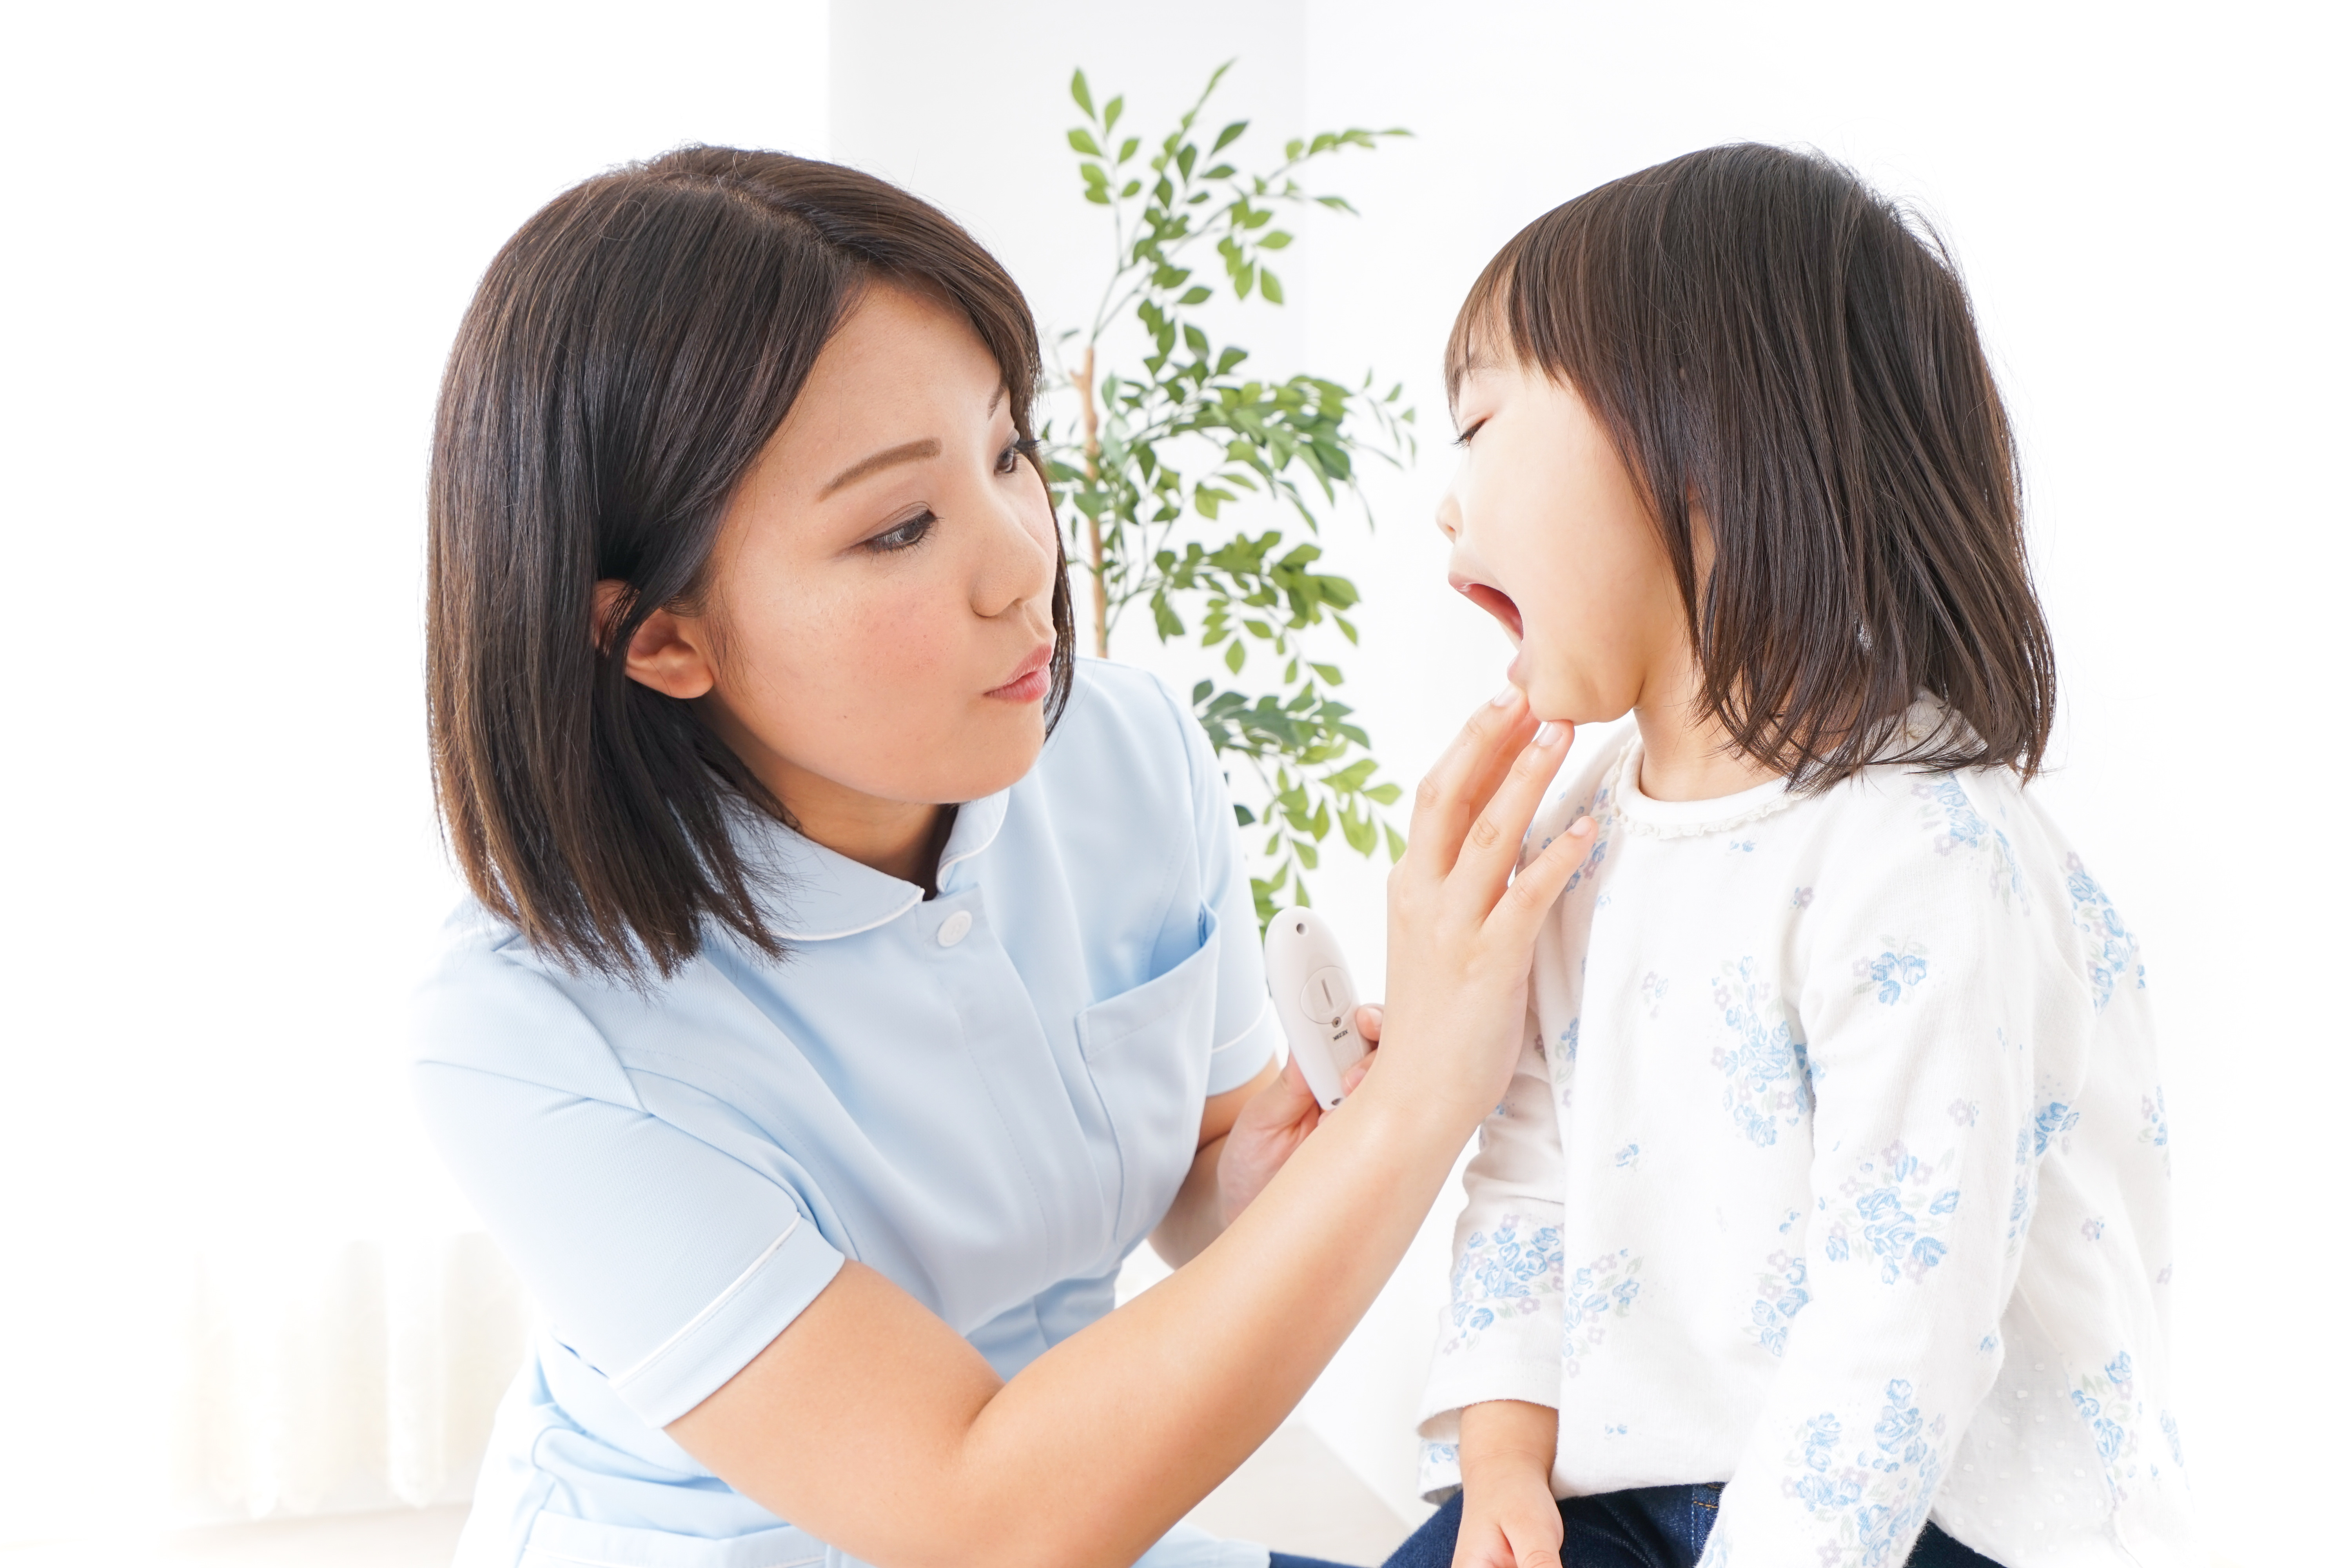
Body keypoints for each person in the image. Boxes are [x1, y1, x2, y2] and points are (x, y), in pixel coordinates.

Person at [411, 145, 1597, 1568]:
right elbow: (979, 1516)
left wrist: (1267, 1175)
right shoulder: (529, 1028)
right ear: (658, 637)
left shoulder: (1121, 753)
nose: (1021, 561)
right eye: (900, 527)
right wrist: (1423, 1103)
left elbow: (1200, 1174)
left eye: (1009, 452)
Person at [1389, 145, 2199, 1568]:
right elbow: (1529, 1166)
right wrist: (1505, 1459)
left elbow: (1903, 1320)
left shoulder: (1920, 850)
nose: (1445, 505)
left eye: (1477, 427)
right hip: (1643, 1487)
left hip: (1941, 1500)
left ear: (1687, 432)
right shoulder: (1590, 826)